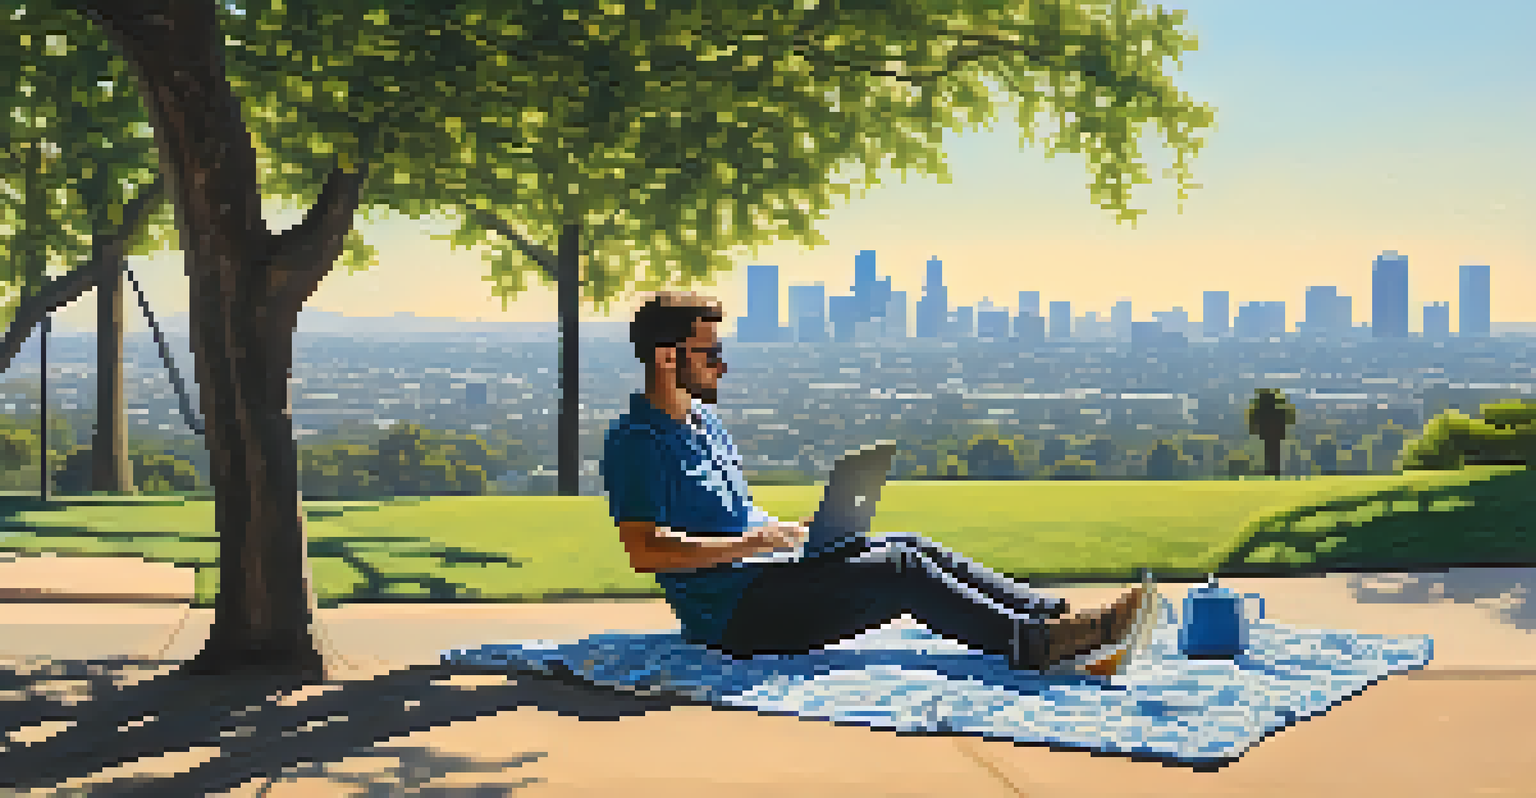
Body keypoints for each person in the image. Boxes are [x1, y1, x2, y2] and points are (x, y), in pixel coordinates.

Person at [600, 291, 1149, 672]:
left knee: (911, 544)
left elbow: (733, 517)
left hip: (767, 573)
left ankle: (1058, 618)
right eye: (711, 353)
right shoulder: (637, 442)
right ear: (667, 357)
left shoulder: (705, 423)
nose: (722, 366)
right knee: (900, 571)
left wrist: (791, 533)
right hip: (735, 614)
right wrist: (754, 543)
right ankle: (1038, 645)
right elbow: (645, 551)